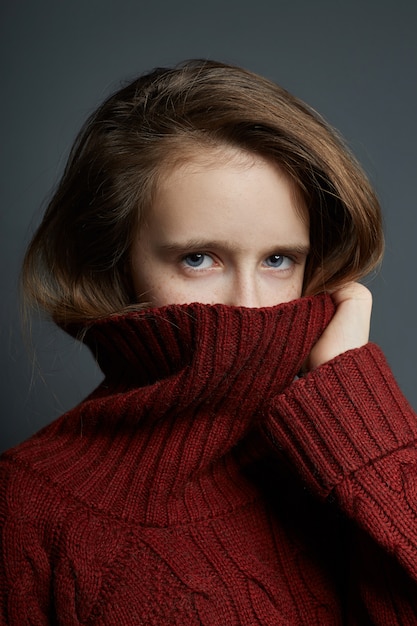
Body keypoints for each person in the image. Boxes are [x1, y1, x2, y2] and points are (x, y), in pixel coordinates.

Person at [1, 59, 416, 625]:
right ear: (117, 263)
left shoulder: (341, 468)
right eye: (198, 258)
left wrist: (363, 429)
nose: (249, 305)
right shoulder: (25, 507)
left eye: (278, 260)